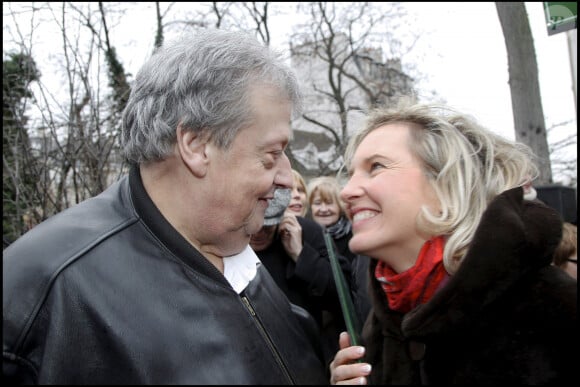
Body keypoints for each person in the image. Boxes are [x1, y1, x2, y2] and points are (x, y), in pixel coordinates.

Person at [3, 29, 330, 384]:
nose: (286, 176)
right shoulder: (47, 290)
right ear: (196, 145)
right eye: (272, 155)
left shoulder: (233, 245)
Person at [329, 100, 577, 385]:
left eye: (376, 167)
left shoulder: (555, 308)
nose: (346, 192)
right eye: (350, 174)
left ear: (446, 183)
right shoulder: (383, 323)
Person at [249, 187, 350, 364]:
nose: (258, 232)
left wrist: (300, 254)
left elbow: (344, 294)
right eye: (251, 224)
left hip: (305, 355)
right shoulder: (224, 238)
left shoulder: (307, 232)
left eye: (266, 226)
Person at [308, 176, 371, 327]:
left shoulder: (355, 235)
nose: (323, 209)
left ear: (340, 206)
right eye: (317, 203)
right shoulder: (305, 237)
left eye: (329, 203)